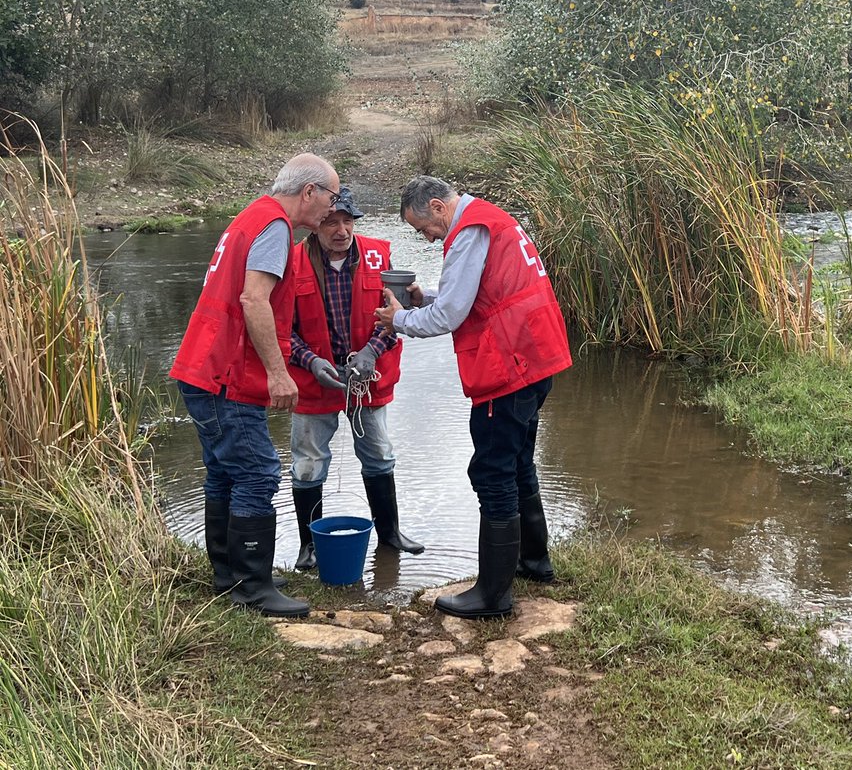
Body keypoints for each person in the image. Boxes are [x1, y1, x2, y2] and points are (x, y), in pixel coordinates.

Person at [374, 175, 573, 620]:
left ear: (438, 207)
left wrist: (399, 319)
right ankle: (534, 562)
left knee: (492, 472)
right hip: (536, 357)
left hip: (509, 365)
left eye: (424, 228)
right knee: (518, 462)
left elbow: (449, 315)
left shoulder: (469, 231)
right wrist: (424, 296)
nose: (427, 238)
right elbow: (476, 292)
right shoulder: (491, 219)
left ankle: (493, 594)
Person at [170, 153, 340, 618]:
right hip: (226, 373)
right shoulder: (275, 227)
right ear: (309, 192)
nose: (333, 207)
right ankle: (253, 587)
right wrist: (279, 373)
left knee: (224, 472)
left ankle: (229, 575)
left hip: (202, 367)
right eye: (331, 196)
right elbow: (254, 299)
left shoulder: (252, 216)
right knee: (258, 472)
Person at [288, 184, 424, 572]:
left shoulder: (381, 257)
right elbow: (281, 329)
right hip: (314, 381)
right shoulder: (290, 263)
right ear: (315, 225)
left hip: (367, 379)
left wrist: (371, 352)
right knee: (307, 464)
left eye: (348, 221)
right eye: (331, 222)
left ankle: (390, 535)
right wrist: (310, 360)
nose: (341, 230)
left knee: (379, 455)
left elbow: (397, 317)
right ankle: (309, 547)